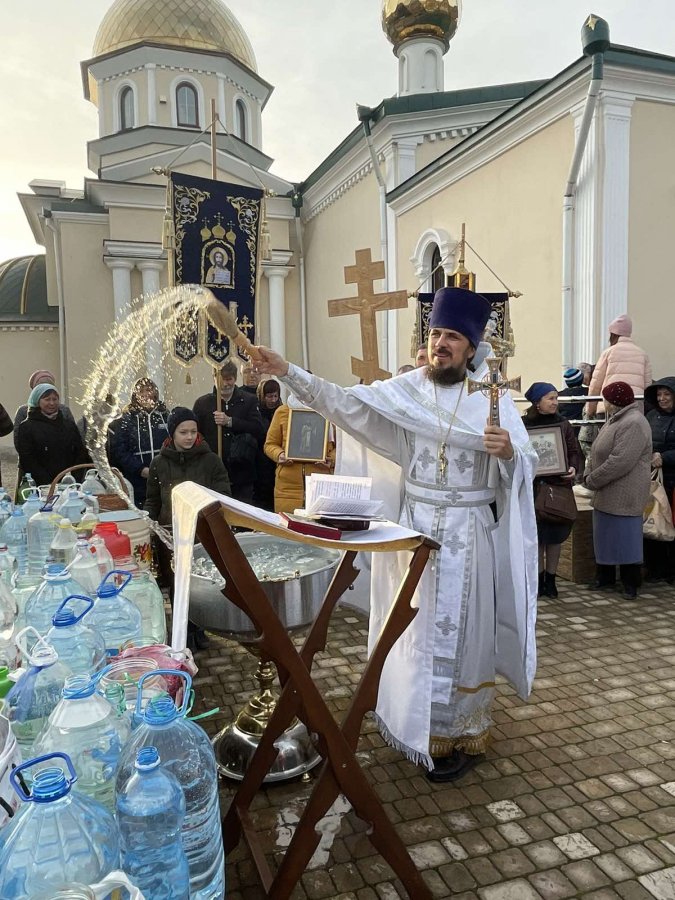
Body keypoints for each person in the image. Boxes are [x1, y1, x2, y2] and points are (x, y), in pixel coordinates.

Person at [255, 286, 538, 783]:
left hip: (469, 539)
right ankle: (409, 719)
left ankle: (457, 732)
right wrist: (287, 371)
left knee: (463, 635)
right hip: (414, 534)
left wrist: (509, 454)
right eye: (435, 334)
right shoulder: (407, 392)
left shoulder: (491, 401)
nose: (441, 344)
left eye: (452, 336)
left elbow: (526, 464)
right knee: (411, 632)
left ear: (472, 347)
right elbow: (346, 405)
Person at [144, 407, 231, 651]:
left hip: (201, 532)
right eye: (183, 432)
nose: (189, 436)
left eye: (193, 431)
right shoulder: (159, 464)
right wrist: (149, 521)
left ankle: (199, 628)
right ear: (173, 434)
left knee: (199, 583)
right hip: (170, 534)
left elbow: (223, 492)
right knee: (176, 583)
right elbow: (152, 499)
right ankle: (182, 632)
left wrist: (211, 513)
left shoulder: (210, 460)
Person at [584, 382, 652, 600]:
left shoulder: (633, 422)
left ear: (613, 401)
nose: (604, 402)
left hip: (624, 491)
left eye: (606, 398)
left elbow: (620, 461)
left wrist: (593, 479)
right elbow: (597, 450)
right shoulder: (616, 419)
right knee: (605, 536)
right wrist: (589, 472)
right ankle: (605, 577)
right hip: (607, 490)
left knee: (626, 538)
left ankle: (630, 582)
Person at [522, 383, 582, 599]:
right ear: (537, 402)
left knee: (555, 536)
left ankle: (551, 579)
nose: (555, 402)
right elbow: (519, 453)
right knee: (537, 536)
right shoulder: (524, 425)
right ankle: (538, 580)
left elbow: (574, 450)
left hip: (559, 487)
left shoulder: (563, 424)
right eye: (550, 398)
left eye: (556, 398)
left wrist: (573, 468)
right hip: (533, 488)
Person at [193, 360, 264, 503]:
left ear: (235, 378)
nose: (226, 384)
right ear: (214, 377)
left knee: (243, 517)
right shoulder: (202, 403)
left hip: (242, 472)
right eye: (222, 379)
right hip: (212, 472)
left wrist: (230, 422)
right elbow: (196, 434)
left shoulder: (249, 400)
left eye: (229, 379)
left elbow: (258, 429)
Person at [264, 397, 335, 514]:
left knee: (319, 529)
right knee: (288, 527)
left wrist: (331, 459)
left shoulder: (328, 413)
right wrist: (279, 454)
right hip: (287, 487)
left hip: (320, 484)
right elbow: (270, 444)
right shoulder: (283, 411)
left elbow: (341, 447)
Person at [15, 384, 90, 488]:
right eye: (47, 399)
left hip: (69, 483)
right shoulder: (27, 426)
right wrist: (47, 483)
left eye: (55, 399)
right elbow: (28, 458)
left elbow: (79, 453)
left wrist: (74, 478)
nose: (52, 403)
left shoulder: (68, 425)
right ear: (37, 401)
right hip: (41, 485)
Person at [111, 378, 169, 508]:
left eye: (148, 390)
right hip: (137, 480)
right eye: (141, 391)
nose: (145, 394)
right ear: (135, 395)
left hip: (164, 477)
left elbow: (174, 444)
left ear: (155, 392)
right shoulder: (126, 419)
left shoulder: (165, 415)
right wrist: (140, 469)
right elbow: (120, 450)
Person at [585, 315, 652, 419]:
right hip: (634, 409)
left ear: (612, 334)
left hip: (608, 407)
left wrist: (590, 409)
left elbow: (596, 383)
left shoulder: (608, 352)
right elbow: (647, 385)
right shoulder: (642, 354)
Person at [644, 377, 675, 582]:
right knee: (652, 522)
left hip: (673, 479)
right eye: (659, 395)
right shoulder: (651, 415)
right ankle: (654, 569)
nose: (662, 399)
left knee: (671, 524)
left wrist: (664, 457)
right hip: (654, 480)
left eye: (666, 394)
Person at [13, 369, 76, 450]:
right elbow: (18, 442)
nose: (51, 403)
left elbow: (74, 438)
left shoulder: (64, 410)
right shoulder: (23, 411)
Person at [254, 378, 282, 511]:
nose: (273, 400)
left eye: (275, 396)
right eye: (269, 396)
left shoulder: (282, 412)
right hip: (261, 459)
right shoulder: (256, 413)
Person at [557, 367, 589, 436]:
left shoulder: (559, 396)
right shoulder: (589, 393)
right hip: (584, 431)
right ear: (582, 379)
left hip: (564, 431)